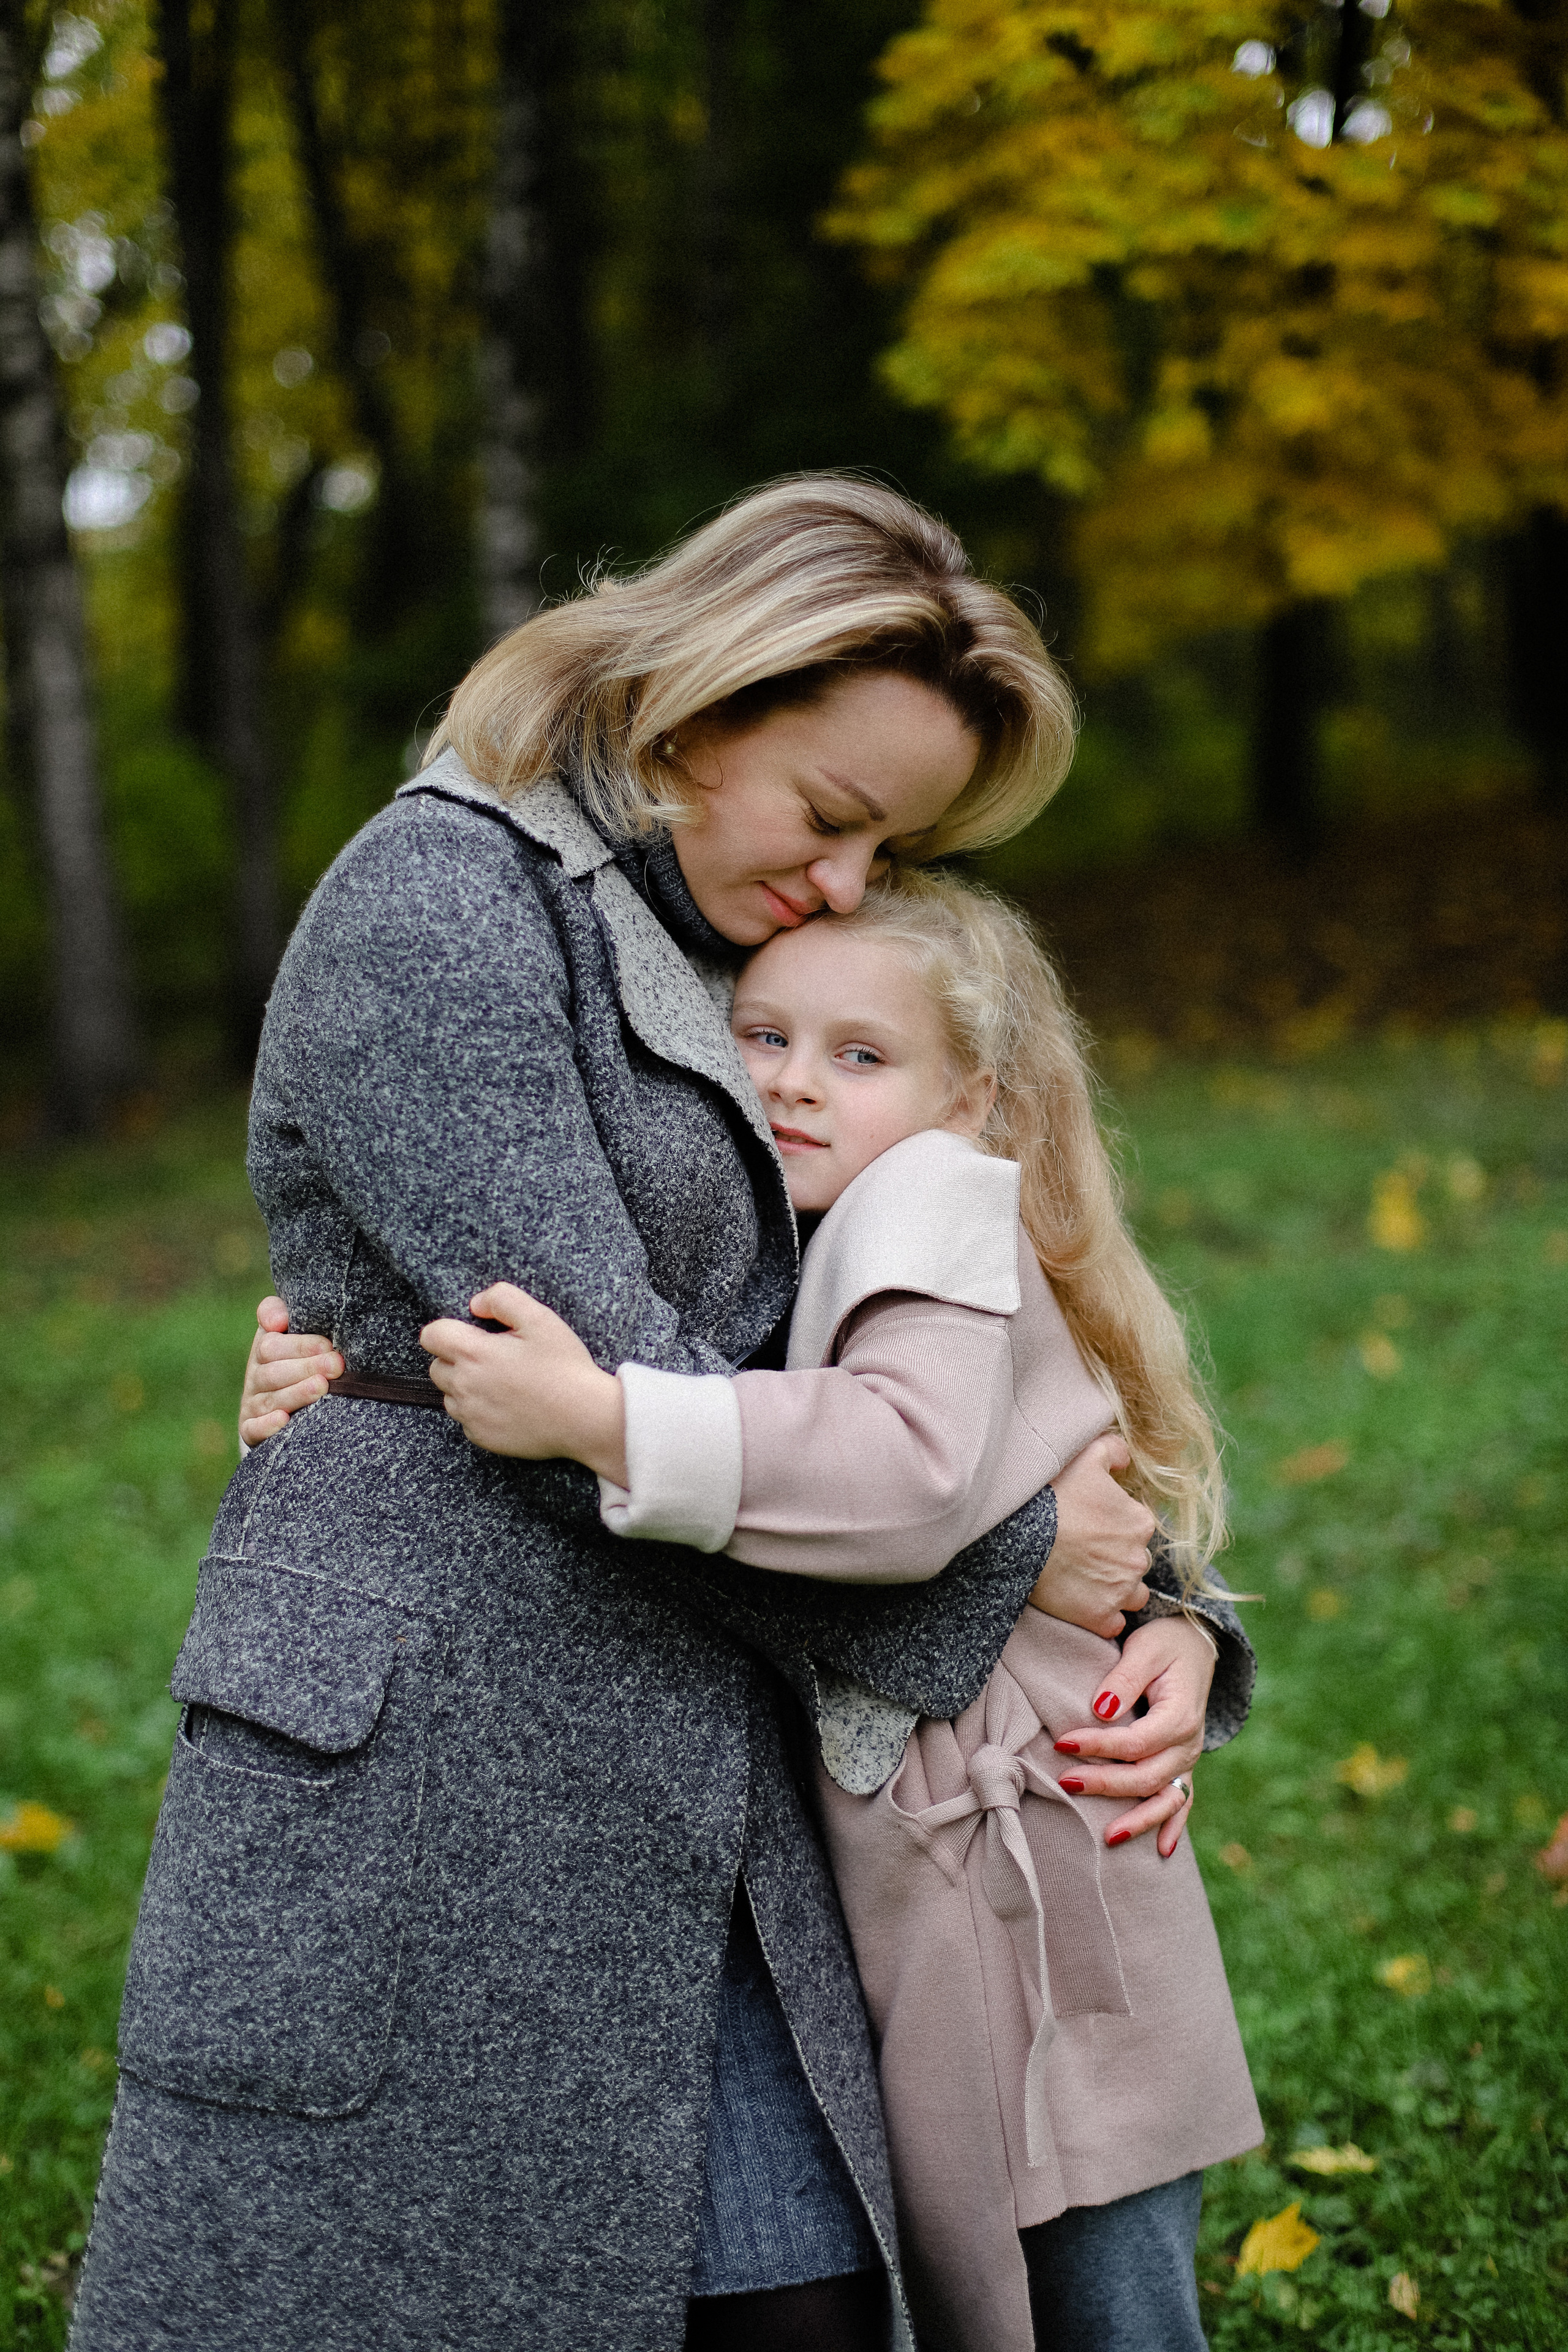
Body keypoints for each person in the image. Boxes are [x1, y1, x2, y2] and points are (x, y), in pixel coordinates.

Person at [77, 477, 1250, 2352]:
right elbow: (594, 1405)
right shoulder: (439, 906)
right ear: (700, 706)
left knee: (793, 2300)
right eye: (838, 819)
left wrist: (1165, 1612)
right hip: (445, 1783)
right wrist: (1028, 1577)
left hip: (717, 1757)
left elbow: (899, 1356)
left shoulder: (726, 941)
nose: (852, 886)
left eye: (896, 849)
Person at [396, 870, 1262, 2352]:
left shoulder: (923, 1199)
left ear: (968, 1100)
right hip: (949, 1850)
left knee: (1105, 2272)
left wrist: (602, 1420)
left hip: (1042, 1852)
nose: (794, 1085)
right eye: (760, 1038)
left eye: (860, 1056)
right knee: (1025, 2257)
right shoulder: (810, 1223)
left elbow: (903, 1475)